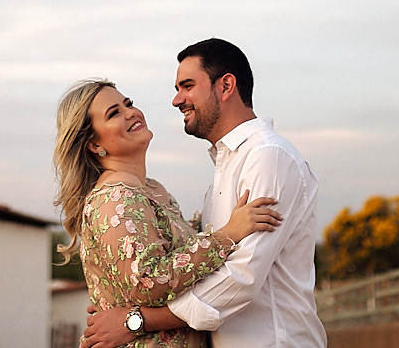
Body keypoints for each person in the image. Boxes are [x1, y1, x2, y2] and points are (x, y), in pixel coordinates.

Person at [83, 38, 327, 348]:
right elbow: (189, 266)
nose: (177, 100)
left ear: (226, 86)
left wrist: (136, 321)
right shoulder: (224, 170)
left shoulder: (268, 157)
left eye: (187, 86)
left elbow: (240, 279)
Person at [54, 78, 283, 348]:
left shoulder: (151, 189)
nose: (131, 113)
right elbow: (147, 283)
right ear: (94, 144)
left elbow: (177, 251)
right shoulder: (113, 198)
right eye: (114, 113)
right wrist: (226, 235)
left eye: (128, 103)